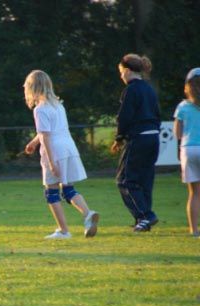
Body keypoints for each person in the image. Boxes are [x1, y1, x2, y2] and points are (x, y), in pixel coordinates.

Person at [23, 70, 99, 239]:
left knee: (51, 192)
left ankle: (64, 231)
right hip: (68, 148)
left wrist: (51, 162)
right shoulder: (58, 105)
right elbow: (46, 132)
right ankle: (88, 213)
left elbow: (47, 136)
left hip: (54, 150)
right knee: (68, 188)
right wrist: (34, 143)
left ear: (33, 88)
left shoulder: (40, 109)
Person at [111, 54, 161, 232]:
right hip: (153, 137)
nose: (121, 76)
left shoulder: (131, 90)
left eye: (121, 72)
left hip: (138, 138)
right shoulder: (149, 89)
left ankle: (145, 215)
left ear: (127, 70)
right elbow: (157, 113)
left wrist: (119, 137)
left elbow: (124, 116)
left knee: (124, 180)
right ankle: (143, 220)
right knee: (145, 180)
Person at [173, 67, 200, 237]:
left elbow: (177, 133)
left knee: (194, 192)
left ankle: (194, 230)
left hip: (189, 149)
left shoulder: (182, 106)